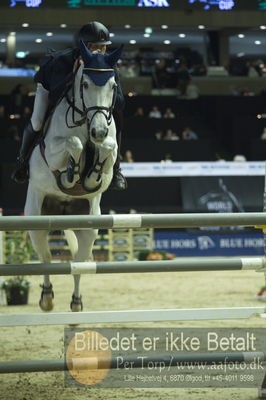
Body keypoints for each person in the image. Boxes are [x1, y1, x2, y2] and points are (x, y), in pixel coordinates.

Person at [12, 21, 127, 191]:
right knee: (37, 121)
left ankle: (117, 168)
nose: (100, 52)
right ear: (84, 46)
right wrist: (74, 74)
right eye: (96, 47)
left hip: (87, 100)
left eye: (103, 47)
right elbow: (55, 95)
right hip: (49, 87)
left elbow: (120, 102)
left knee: (116, 117)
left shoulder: (108, 65)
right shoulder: (63, 60)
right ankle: (22, 163)